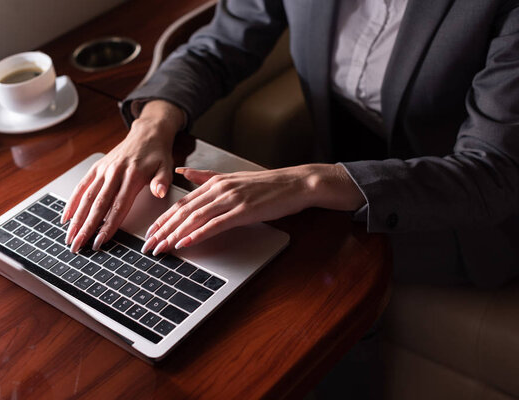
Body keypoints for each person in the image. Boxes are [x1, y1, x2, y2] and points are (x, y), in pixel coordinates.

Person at [61, 0, 519, 288]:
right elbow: (219, 45)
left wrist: (314, 178)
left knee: (294, 281)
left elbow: (493, 172)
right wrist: (151, 125)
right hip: (339, 175)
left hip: (460, 215)